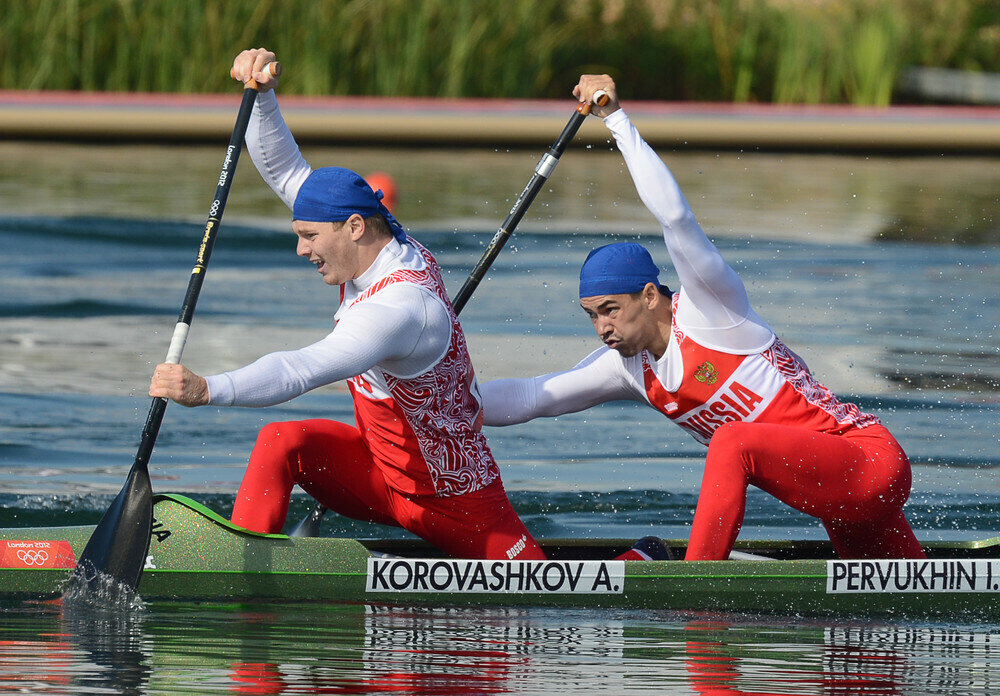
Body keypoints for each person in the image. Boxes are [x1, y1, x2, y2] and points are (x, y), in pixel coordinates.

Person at [479, 74, 927, 562]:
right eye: (591, 315)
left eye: (611, 310)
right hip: (835, 502)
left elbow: (676, 219)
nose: (602, 327)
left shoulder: (712, 309)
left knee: (732, 443)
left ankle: (695, 585)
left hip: (871, 463)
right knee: (875, 629)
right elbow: (528, 397)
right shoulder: (626, 367)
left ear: (650, 295)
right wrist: (426, 402)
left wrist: (616, 121)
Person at [148, 48, 546, 560]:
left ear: (354, 227)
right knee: (281, 443)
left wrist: (207, 389)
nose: (300, 249)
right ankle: (243, 565)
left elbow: (300, 369)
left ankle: (642, 556)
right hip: (379, 474)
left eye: (308, 236)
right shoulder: (366, 238)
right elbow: (284, 168)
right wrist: (262, 96)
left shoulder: (401, 310)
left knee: (530, 623)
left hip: (455, 500)